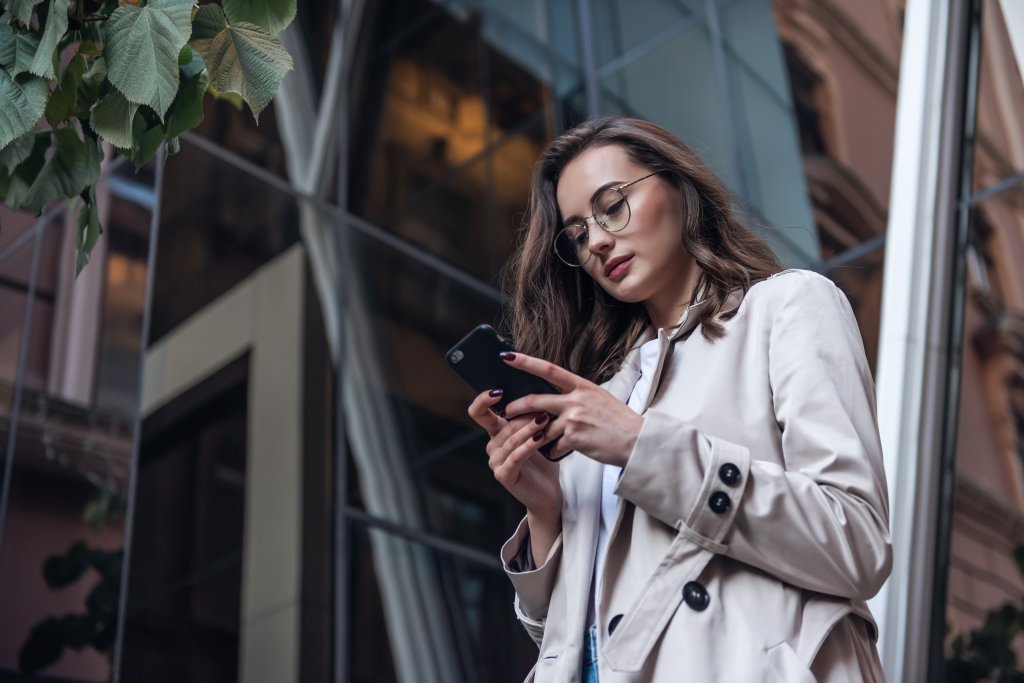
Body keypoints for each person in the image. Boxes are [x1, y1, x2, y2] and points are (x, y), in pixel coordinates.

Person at [466, 117, 892, 682]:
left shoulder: (786, 308)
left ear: (678, 186)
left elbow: (856, 543)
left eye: (612, 204)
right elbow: (576, 637)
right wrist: (547, 512)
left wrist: (645, 448)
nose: (594, 241)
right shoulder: (608, 392)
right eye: (575, 234)